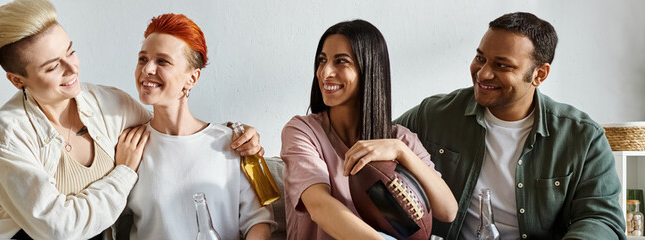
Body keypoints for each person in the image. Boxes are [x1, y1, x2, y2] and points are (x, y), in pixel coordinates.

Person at [0, 1, 263, 239]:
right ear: (18, 80)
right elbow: (58, 229)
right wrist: (123, 172)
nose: (72, 70)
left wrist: (237, 134)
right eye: (53, 67)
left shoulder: (108, 104)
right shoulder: (8, 131)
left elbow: (174, 131)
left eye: (71, 51)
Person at [395, 12, 626, 239]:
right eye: (480, 58)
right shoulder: (435, 115)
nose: (483, 73)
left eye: (502, 66)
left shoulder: (583, 137)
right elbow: (374, 137)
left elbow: (602, 220)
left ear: (539, 74)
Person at [280, 19, 457, 240]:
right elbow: (320, 207)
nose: (325, 73)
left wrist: (401, 151)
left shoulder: (401, 139)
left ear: (369, 68)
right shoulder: (302, 131)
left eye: (341, 61)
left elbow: (447, 211)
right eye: (322, 61)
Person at [123, 13, 275, 240]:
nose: (147, 69)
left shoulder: (233, 143)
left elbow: (259, 222)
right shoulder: (130, 146)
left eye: (162, 61)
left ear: (192, 79)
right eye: (143, 59)